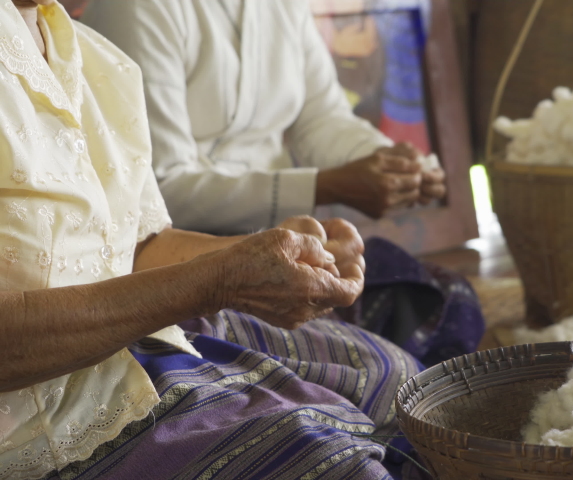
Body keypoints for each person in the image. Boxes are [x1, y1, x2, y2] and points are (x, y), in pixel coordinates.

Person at [0, 1, 423, 478]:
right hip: (36, 423)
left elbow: (139, 245)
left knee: (400, 383)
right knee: (339, 465)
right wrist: (219, 280)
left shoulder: (91, 55)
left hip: (127, 347)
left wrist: (278, 253)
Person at [81, 0, 485, 367]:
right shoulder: (138, 7)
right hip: (188, 262)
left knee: (446, 299)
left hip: (284, 243)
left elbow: (321, 118)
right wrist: (324, 186)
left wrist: (390, 161)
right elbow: (161, 189)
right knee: (377, 362)